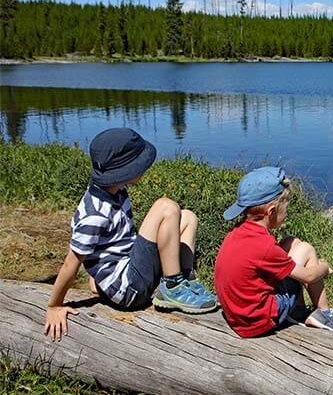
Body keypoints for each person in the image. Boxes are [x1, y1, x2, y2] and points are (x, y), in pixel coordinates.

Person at [45, 128, 218, 341]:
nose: (144, 167)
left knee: (188, 217)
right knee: (165, 207)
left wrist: (99, 279)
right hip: (130, 290)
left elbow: (108, 245)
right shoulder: (95, 213)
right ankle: (173, 287)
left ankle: (185, 280)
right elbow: (70, 264)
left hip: (129, 270)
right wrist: (54, 305)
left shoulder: (115, 191)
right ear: (124, 170)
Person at [214, 166, 333, 337]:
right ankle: (324, 313)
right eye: (286, 209)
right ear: (271, 211)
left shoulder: (237, 234)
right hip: (258, 321)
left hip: (238, 314)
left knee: (289, 242)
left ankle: (299, 310)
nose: (287, 214)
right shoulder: (264, 246)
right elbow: (309, 277)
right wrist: (324, 267)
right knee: (306, 249)